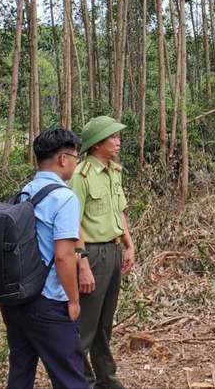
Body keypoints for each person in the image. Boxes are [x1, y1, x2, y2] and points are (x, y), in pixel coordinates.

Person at [0, 127, 89, 389]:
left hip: (17, 300)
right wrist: (73, 300)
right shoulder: (63, 197)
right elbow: (63, 257)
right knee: (70, 378)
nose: (75, 164)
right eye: (75, 158)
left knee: (20, 373)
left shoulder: (23, 193)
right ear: (63, 159)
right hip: (48, 302)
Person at [70, 116, 136, 389]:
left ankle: (106, 380)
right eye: (113, 137)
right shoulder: (81, 175)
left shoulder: (114, 172)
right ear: (97, 144)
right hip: (92, 254)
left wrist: (129, 244)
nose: (118, 142)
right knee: (85, 326)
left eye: (118, 137)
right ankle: (76, 380)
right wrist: (82, 263)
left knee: (103, 324)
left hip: (113, 250)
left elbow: (118, 211)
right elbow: (72, 221)